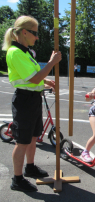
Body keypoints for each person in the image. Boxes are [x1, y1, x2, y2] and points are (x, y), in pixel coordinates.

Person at [2, 15, 62, 192]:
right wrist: (51, 63)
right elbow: (34, 78)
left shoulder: (26, 53)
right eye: (35, 33)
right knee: (22, 141)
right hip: (24, 101)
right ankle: (17, 179)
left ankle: (30, 167)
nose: (37, 37)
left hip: (33, 98)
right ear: (25, 32)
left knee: (34, 137)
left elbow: (33, 79)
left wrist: (46, 83)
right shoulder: (15, 52)